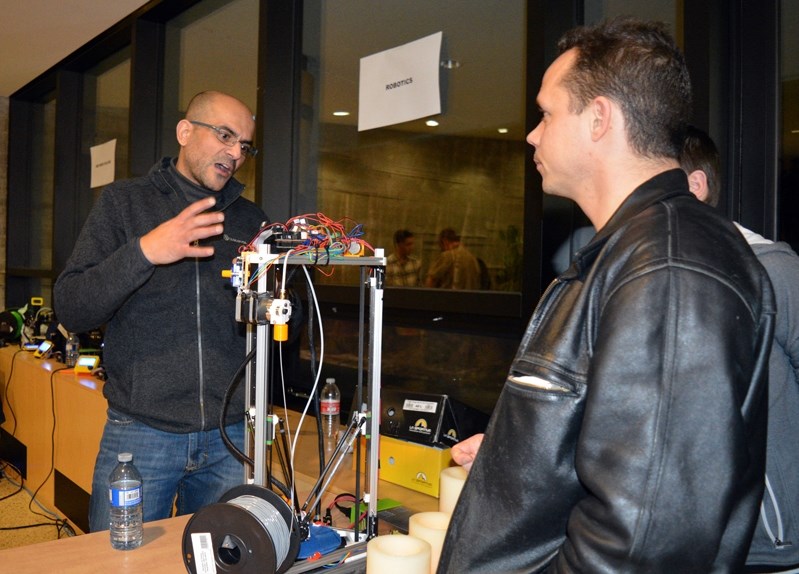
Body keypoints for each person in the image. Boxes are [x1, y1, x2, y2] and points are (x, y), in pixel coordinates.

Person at [438, 18, 775, 573]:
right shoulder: (631, 251)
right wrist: (513, 459)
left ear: (598, 118)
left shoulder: (669, 265)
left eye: (546, 114)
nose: (531, 135)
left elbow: (643, 543)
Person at [53, 91, 267, 532]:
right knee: (117, 562)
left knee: (221, 562)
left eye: (244, 145)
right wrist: (148, 250)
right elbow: (72, 307)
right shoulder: (123, 203)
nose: (235, 153)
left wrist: (285, 291)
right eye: (225, 135)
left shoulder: (250, 221)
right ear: (185, 132)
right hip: (141, 433)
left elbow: (282, 322)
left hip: (231, 437)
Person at [680, 126, 799, 572]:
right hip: (687, 549)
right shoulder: (652, 284)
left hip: (770, 553)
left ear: (695, 186)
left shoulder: (774, 273)